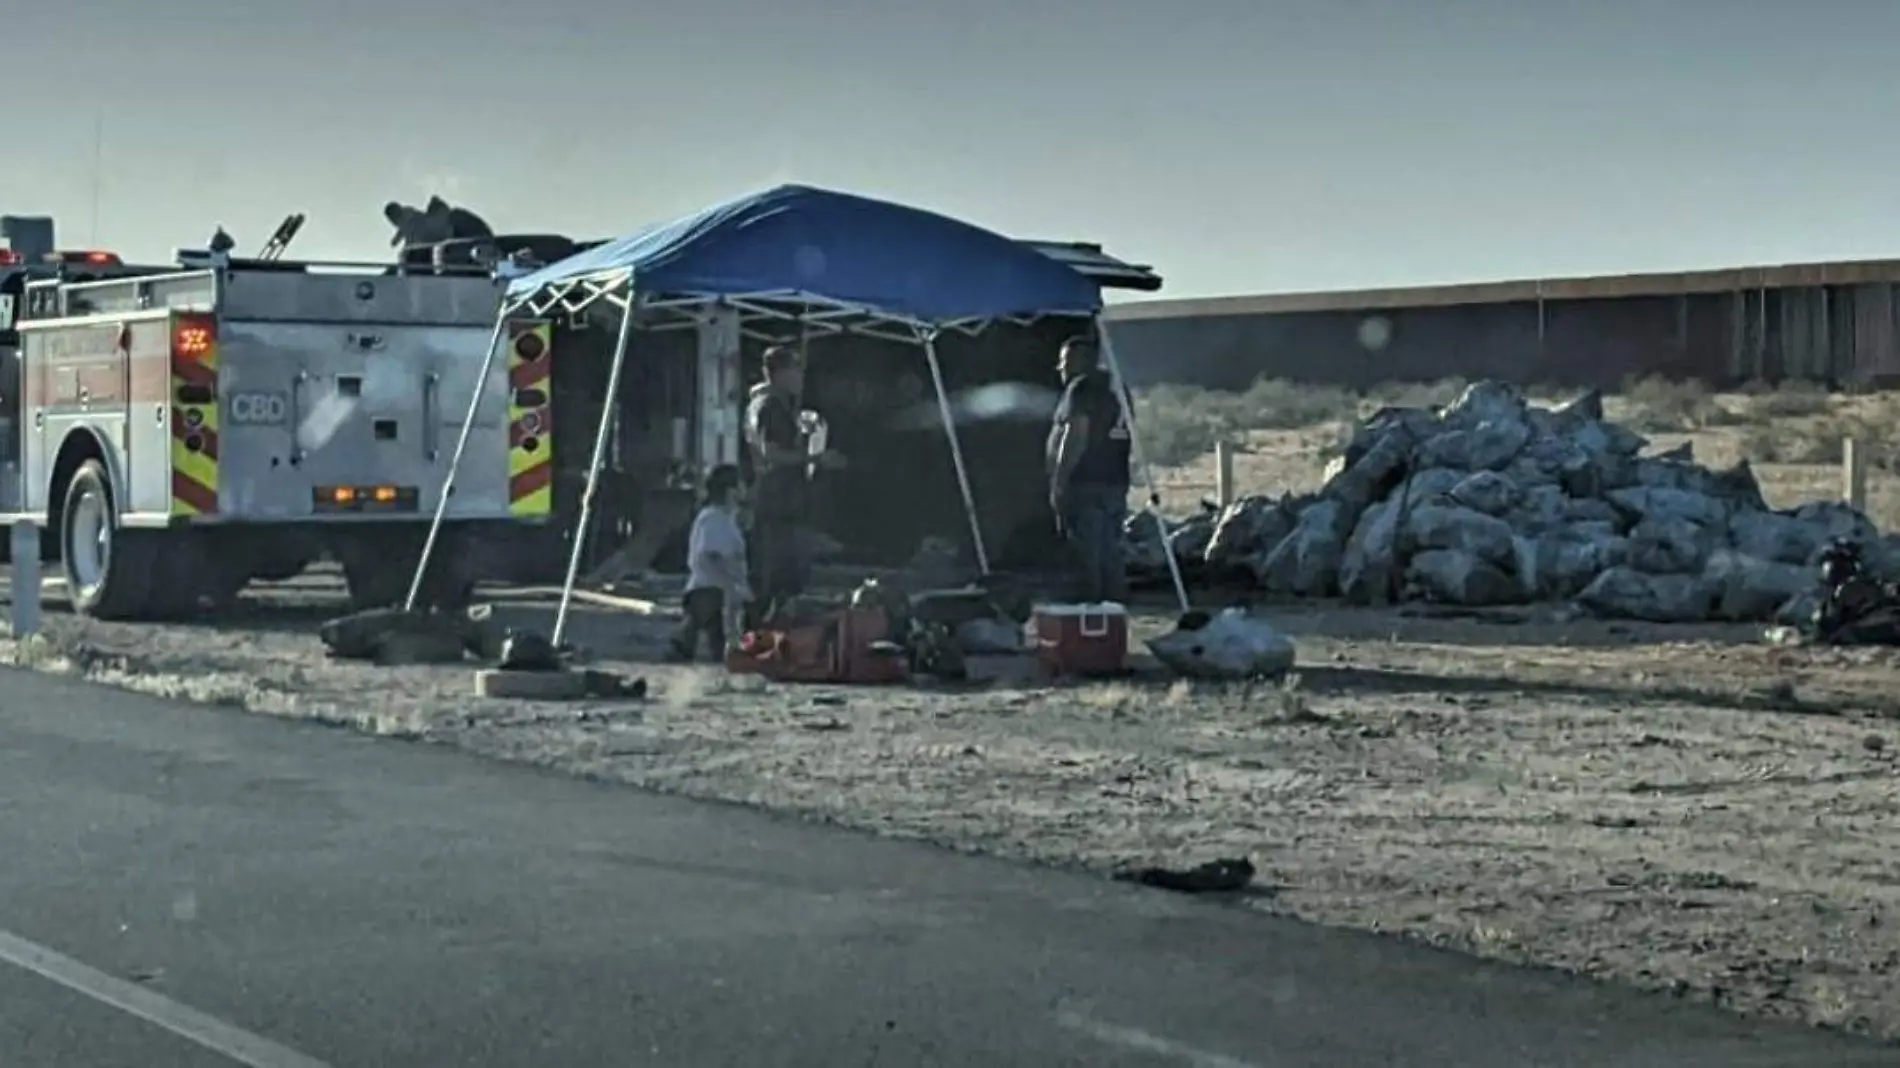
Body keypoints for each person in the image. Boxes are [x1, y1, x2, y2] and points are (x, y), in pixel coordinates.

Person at [743, 344, 842, 623]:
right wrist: (815, 457)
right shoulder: (768, 406)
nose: (800, 377)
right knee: (776, 573)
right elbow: (771, 452)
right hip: (776, 500)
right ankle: (756, 630)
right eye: (795, 370)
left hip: (784, 500)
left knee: (785, 574)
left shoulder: (777, 406)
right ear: (780, 373)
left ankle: (773, 629)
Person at [1046, 335, 1132, 603]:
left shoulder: (1080, 389)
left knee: (1086, 553)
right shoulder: (1118, 387)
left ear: (1076, 363)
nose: (1060, 369)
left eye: (1064, 362)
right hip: (1115, 480)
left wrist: (1059, 481)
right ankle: (1112, 613)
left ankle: (1090, 613)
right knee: (1110, 551)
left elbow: (1076, 435)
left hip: (1085, 482)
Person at [668, 464, 749, 662]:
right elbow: (708, 557)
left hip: (720, 591)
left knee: (720, 649)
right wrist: (731, 585)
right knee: (711, 637)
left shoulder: (726, 518)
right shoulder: (711, 518)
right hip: (708, 591)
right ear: (731, 491)